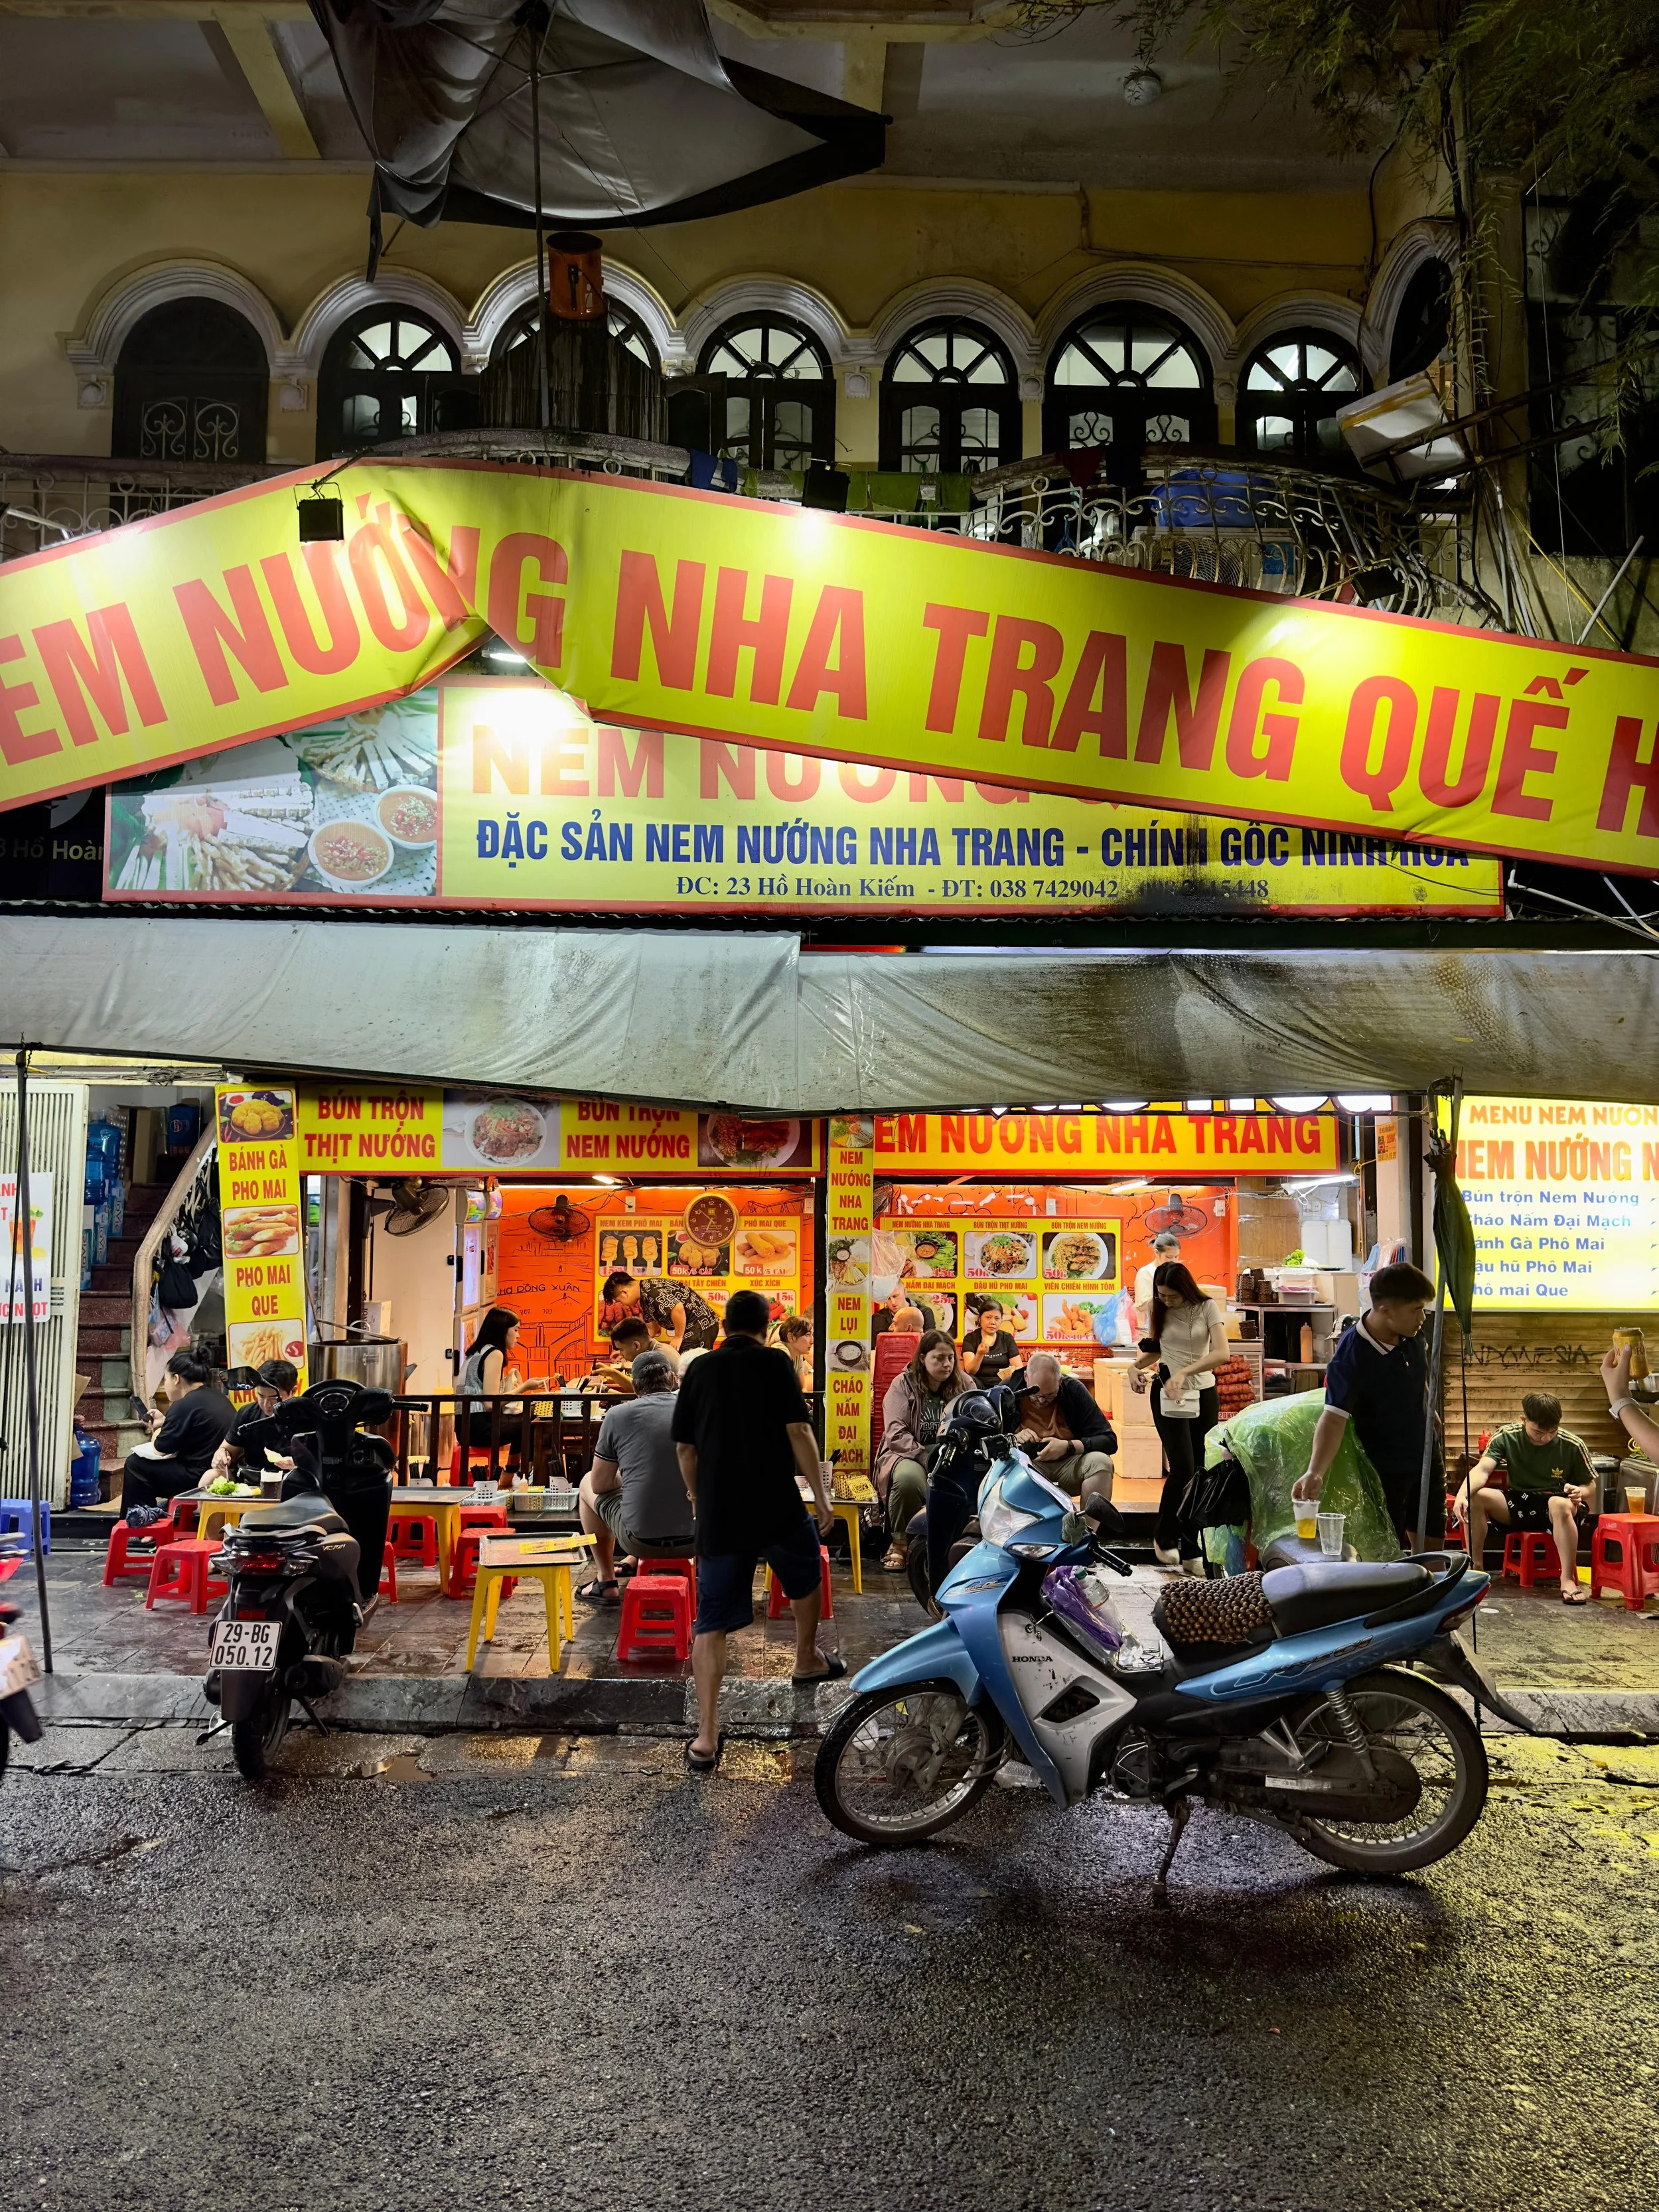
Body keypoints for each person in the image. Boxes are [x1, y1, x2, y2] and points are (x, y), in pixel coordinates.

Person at [672, 1287, 838, 1772]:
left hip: (722, 1510)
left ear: (724, 1326)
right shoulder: (775, 1364)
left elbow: (685, 1449)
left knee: (712, 1620)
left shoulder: (699, 1369)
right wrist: (821, 1495)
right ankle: (806, 1656)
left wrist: (699, 1496)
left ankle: (706, 1735)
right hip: (775, 1501)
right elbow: (799, 1431)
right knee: (806, 1572)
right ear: (767, 1328)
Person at [1292, 1260, 1441, 1548]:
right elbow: (1334, 1418)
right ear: (1385, 1310)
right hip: (1386, 1466)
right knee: (1390, 1543)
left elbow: (1416, 1371)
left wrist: (1428, 1407)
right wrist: (1315, 1471)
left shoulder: (1412, 1333)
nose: (1422, 1317)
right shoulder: (1351, 1358)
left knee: (1432, 1534)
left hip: (1425, 1451)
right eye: (1416, 1309)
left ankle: (1432, 1585)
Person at [577, 1349, 697, 1603]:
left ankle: (606, 1580)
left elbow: (601, 1484)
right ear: (674, 1380)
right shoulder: (699, 1409)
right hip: (701, 1536)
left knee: (587, 1482)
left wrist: (628, 1477)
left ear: (634, 1385)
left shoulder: (618, 1415)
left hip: (640, 1540)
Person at [1131, 1261, 1229, 1568]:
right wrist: (1135, 1367)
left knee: (1201, 1470)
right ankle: (1164, 1537)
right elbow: (1160, 1350)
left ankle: (1190, 1548)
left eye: (1172, 1296)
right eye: (1162, 1296)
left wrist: (1185, 1372)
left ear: (1185, 1289)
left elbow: (1222, 1353)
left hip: (1203, 1393)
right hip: (1168, 1393)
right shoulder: (1158, 1309)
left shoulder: (1207, 1307)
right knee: (1183, 1467)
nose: (1167, 1301)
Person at [1459, 1392, 1599, 1603]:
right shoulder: (1507, 1435)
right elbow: (1483, 1470)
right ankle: (1476, 1568)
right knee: (1477, 1497)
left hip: (1557, 1504)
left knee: (1558, 1503)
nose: (1545, 1437)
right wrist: (1463, 1494)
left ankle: (1567, 1579)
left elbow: (1590, 1484)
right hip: (1520, 1502)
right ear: (1524, 1419)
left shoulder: (1573, 1445)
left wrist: (1582, 1492)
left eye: (1552, 1432)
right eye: (1538, 1431)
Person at [874, 1329, 971, 1572]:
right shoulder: (903, 1384)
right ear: (922, 1359)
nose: (947, 1364)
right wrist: (925, 1457)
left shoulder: (965, 1382)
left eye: (950, 1358)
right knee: (908, 1481)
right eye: (939, 1358)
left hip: (952, 1453)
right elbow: (896, 1433)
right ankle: (899, 1545)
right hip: (909, 1452)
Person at [118, 1349, 237, 1524]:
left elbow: (160, 1449)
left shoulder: (183, 1404)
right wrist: (165, 1422)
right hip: (222, 1471)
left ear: (176, 1379)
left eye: (165, 1379)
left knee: (135, 1464)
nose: (165, 1385)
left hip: (197, 1476)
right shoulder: (218, 1398)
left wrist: (157, 1431)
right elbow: (193, 1429)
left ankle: (140, 1524)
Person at [1004, 1350, 1118, 1506]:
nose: (1042, 1401)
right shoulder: (1007, 1391)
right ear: (1026, 1377)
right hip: (1027, 1466)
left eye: (1049, 1396)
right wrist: (1013, 1438)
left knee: (1102, 1463)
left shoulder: (1074, 1390)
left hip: (1069, 1464)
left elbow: (1109, 1440)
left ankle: (1087, 1529)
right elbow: (985, 1440)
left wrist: (1068, 1447)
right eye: (1035, 1395)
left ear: (1060, 1381)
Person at [213, 1358, 302, 1481]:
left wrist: (299, 1465)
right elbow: (226, 1449)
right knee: (211, 1476)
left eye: (274, 1398)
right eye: (261, 1396)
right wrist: (221, 1456)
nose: (266, 1404)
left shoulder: (308, 1416)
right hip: (253, 1480)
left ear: (293, 1391)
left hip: (294, 1481)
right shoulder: (248, 1413)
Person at [601, 1269, 719, 1353]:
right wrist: (627, 1348)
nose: (622, 1305)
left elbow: (677, 1309)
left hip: (700, 1325)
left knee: (689, 1365)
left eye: (619, 1301)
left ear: (624, 1293)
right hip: (697, 1327)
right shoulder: (644, 1298)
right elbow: (652, 1329)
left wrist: (678, 1336)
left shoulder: (651, 1290)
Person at [960, 1297, 1018, 1389]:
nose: (993, 1322)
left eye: (997, 1318)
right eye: (988, 1317)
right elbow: (970, 1371)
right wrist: (980, 1354)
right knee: (966, 1378)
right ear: (980, 1319)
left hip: (1002, 1386)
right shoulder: (971, 1338)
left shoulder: (1007, 1338)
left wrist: (1011, 1374)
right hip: (977, 1386)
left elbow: (1018, 1367)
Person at [1133, 1231, 1183, 1330]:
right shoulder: (1146, 1273)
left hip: (1173, 1329)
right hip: (1151, 1331)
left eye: (1176, 1257)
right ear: (1156, 1253)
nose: (1173, 1261)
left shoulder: (1177, 1273)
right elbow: (1141, 1307)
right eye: (1169, 1257)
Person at [592, 1315, 653, 1394]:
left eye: (622, 1350)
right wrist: (611, 1372)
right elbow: (640, 1389)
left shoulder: (657, 1359)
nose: (620, 1354)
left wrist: (611, 1373)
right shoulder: (652, 1352)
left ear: (636, 1346)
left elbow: (644, 1394)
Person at [774, 1312, 814, 1387]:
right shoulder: (781, 1354)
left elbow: (802, 1388)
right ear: (791, 1337)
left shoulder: (796, 1354)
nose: (812, 1341)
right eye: (807, 1335)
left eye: (812, 1335)